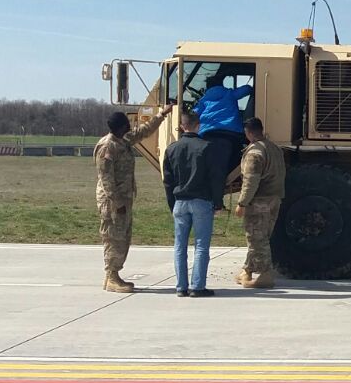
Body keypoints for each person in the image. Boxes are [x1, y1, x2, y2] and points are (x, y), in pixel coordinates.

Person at [94, 108, 167, 294]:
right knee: (114, 237)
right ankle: (111, 276)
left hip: (124, 199)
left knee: (123, 236)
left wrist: (161, 115)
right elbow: (106, 179)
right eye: (126, 125)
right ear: (119, 128)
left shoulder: (123, 140)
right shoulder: (107, 147)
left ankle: (114, 275)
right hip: (112, 201)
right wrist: (117, 203)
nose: (129, 128)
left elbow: (143, 131)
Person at [162, 111, 221, 297]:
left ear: (182, 126)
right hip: (201, 201)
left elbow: (168, 181)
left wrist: (172, 204)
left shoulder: (171, 149)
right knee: (201, 245)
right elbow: (215, 178)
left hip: (180, 202)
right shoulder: (207, 147)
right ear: (198, 125)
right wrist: (218, 202)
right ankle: (197, 286)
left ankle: (181, 287)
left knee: (180, 246)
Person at [234, 117, 287, 288]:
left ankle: (265, 275)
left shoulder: (254, 153)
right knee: (261, 237)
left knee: (256, 238)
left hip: (259, 201)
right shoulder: (275, 149)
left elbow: (251, 180)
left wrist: (242, 203)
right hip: (275, 199)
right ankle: (247, 270)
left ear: (248, 132)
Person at [192, 80, 253, 205]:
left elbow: (194, 114)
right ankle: (217, 201)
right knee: (226, 167)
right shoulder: (229, 93)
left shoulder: (204, 99)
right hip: (231, 136)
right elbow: (246, 89)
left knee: (210, 170)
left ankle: (210, 199)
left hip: (208, 136)